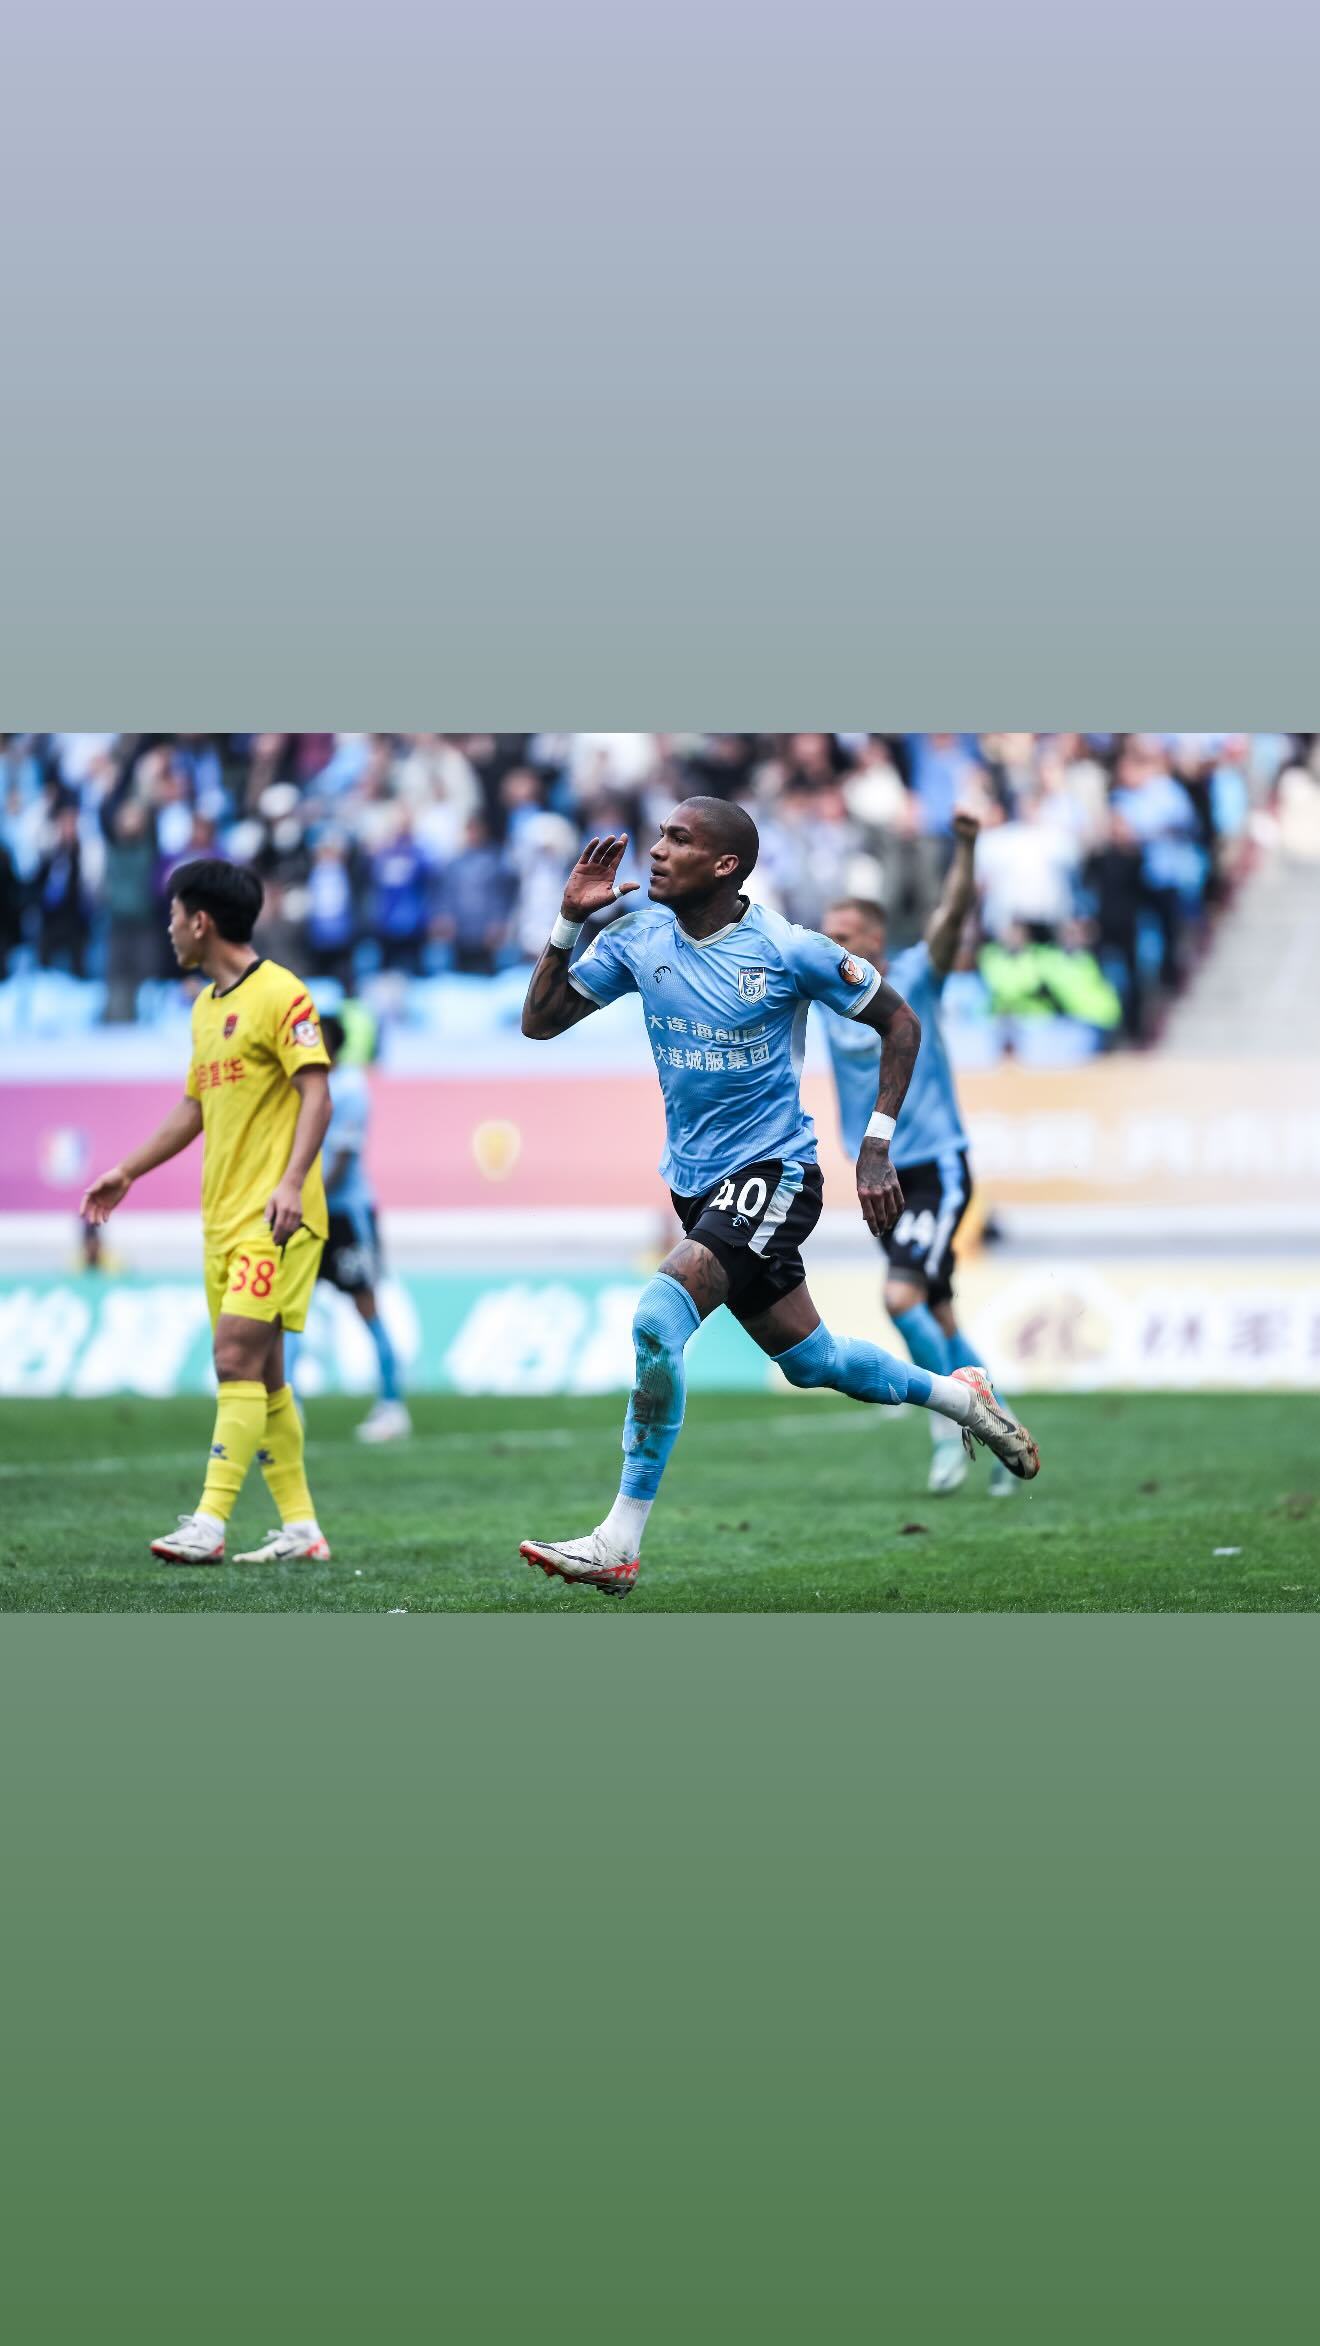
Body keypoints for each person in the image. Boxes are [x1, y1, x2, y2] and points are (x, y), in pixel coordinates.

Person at [516, 803, 1039, 1598]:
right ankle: (959, 1396)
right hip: (696, 1185)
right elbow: (540, 1022)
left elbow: (901, 1023)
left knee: (657, 1320)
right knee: (814, 1362)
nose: (656, 851)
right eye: (661, 836)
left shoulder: (789, 950)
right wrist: (566, 924)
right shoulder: (637, 939)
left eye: (679, 840)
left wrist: (877, 1143)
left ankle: (617, 1542)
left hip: (775, 1173)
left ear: (725, 865)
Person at [79, 859, 335, 1567]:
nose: (167, 929)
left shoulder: (281, 993)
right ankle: (301, 1528)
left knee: (232, 1360)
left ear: (200, 921)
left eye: (173, 915)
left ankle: (209, 1522)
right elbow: (194, 1107)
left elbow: (317, 1094)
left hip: (275, 1218)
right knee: (266, 1377)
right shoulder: (203, 1009)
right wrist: (128, 1170)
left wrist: (291, 1182)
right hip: (222, 1220)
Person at [820, 812, 1018, 1498]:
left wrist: (965, 847)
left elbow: (952, 913)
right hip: (880, 1181)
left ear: (875, 941)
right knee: (937, 1314)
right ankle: (1006, 1432)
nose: (831, 946)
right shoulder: (825, 994)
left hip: (935, 1168)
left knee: (900, 1296)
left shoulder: (914, 978)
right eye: (826, 935)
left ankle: (946, 1429)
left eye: (844, 936)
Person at [315, 1012, 411, 1443]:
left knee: (367, 1306)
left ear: (331, 1043)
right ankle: (287, 1408)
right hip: (306, 1211)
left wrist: (300, 1198)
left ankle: (392, 1405)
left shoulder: (350, 1089)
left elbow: (340, 1161)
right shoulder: (303, 1085)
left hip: (345, 1215)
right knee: (287, 1311)